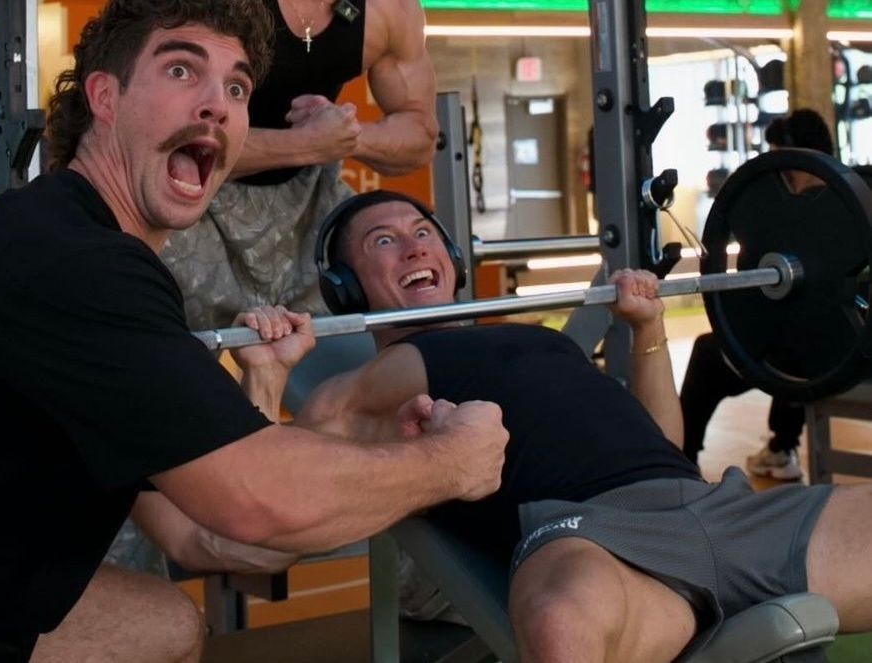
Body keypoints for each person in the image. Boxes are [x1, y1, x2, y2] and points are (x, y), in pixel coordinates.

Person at [0, 0, 509, 663]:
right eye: (181, 70)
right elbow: (257, 502)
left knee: (161, 624)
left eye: (236, 88)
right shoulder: (71, 261)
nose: (218, 103)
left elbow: (206, 539)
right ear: (104, 97)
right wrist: (449, 461)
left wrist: (274, 399)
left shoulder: (88, 252)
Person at [238, 189, 872, 662]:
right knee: (561, 621)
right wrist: (266, 378)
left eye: (424, 232)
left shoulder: (537, 338)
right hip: (595, 542)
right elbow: (267, 510)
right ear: (346, 289)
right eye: (383, 241)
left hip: (722, 506)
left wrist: (647, 329)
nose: (415, 247)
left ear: (452, 259)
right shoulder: (367, 384)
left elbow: (665, 444)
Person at [156, 0, 438, 331]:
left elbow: (420, 135)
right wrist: (306, 145)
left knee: (364, 351)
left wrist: (349, 138)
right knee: (189, 362)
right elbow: (154, 138)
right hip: (194, 197)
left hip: (309, 206)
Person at [680, 107, 836, 480]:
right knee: (793, 331)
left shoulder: (793, 217)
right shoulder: (853, 201)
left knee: (711, 352)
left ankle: (681, 463)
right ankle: (781, 448)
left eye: (778, 159)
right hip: (844, 345)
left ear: (793, 158)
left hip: (817, 352)